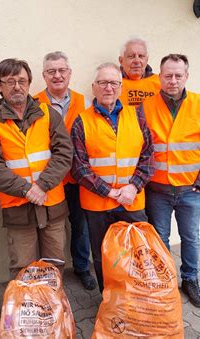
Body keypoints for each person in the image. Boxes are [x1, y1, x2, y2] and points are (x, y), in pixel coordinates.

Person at [0, 58, 72, 278]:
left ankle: (54, 308)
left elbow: (64, 153)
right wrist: (27, 189)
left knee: (55, 264)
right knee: (23, 270)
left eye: (22, 80)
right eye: (10, 81)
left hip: (52, 205)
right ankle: (25, 311)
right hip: (18, 208)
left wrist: (41, 186)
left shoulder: (48, 114)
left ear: (30, 83)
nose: (17, 86)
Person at [143, 54, 200, 308]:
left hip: (190, 189)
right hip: (157, 190)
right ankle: (164, 283)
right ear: (160, 77)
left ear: (186, 76)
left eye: (178, 75)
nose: (173, 80)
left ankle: (190, 280)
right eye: (168, 75)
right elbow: (138, 146)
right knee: (160, 240)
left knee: (191, 238)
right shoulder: (145, 106)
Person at [71, 62, 154, 292]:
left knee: (137, 254)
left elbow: (148, 156)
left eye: (114, 83)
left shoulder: (136, 116)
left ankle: (135, 300)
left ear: (120, 88)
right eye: (103, 83)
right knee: (103, 256)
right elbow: (79, 166)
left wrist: (133, 187)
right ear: (94, 87)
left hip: (131, 201)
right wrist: (108, 191)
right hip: (98, 205)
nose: (109, 88)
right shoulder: (81, 121)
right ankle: (109, 302)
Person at [34, 51, 96, 291]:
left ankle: (82, 267)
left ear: (69, 73)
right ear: (44, 76)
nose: (57, 75)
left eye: (62, 70)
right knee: (52, 230)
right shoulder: (35, 103)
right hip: (49, 180)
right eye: (51, 71)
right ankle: (50, 274)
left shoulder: (84, 102)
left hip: (80, 178)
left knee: (80, 226)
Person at [118, 37, 160, 107]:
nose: (137, 61)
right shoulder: (113, 84)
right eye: (131, 56)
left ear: (147, 60)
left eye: (141, 56)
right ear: (121, 60)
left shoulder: (160, 82)